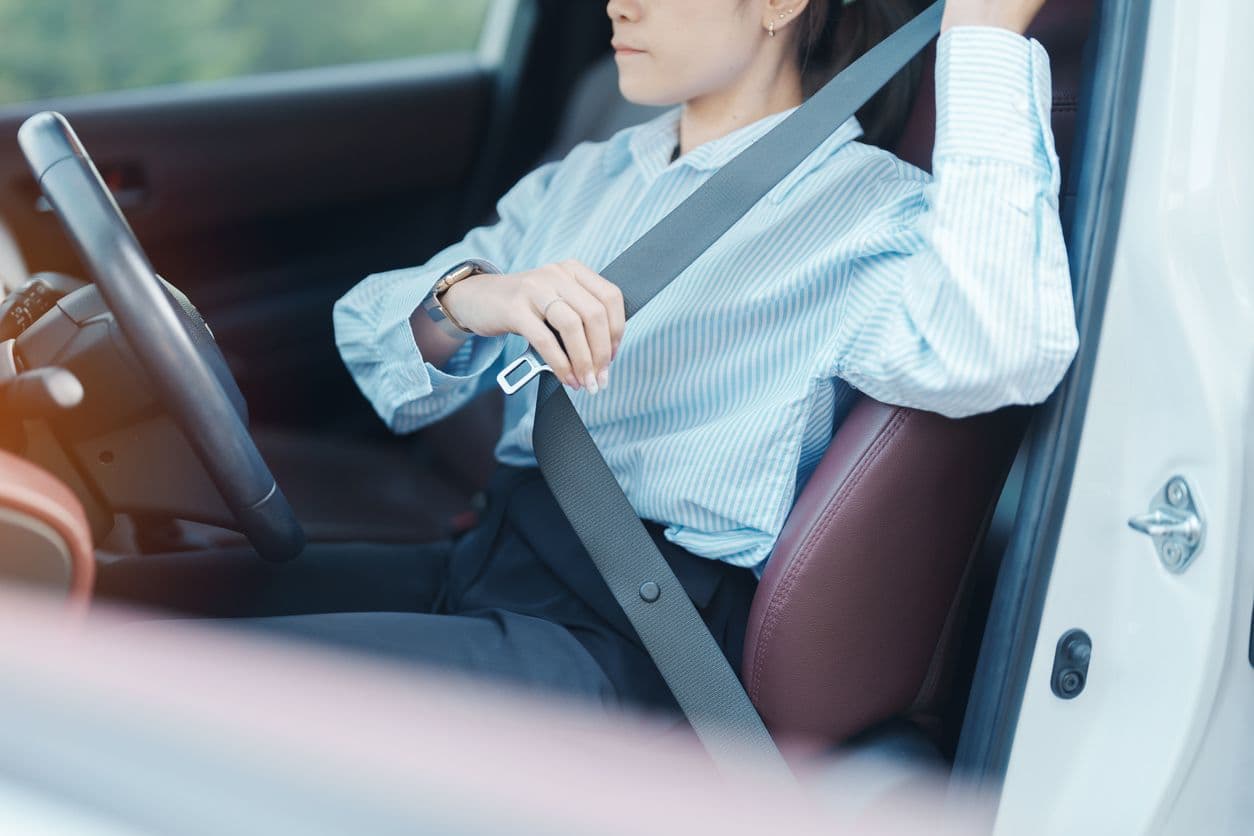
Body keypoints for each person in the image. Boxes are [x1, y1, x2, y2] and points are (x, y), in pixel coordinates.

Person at [101, 0, 1078, 714]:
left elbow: (1001, 352)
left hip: (625, 641)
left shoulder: (866, 214)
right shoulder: (592, 175)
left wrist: (982, 42)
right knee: (87, 602)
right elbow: (376, 345)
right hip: (483, 562)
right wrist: (476, 295)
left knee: (134, 698)